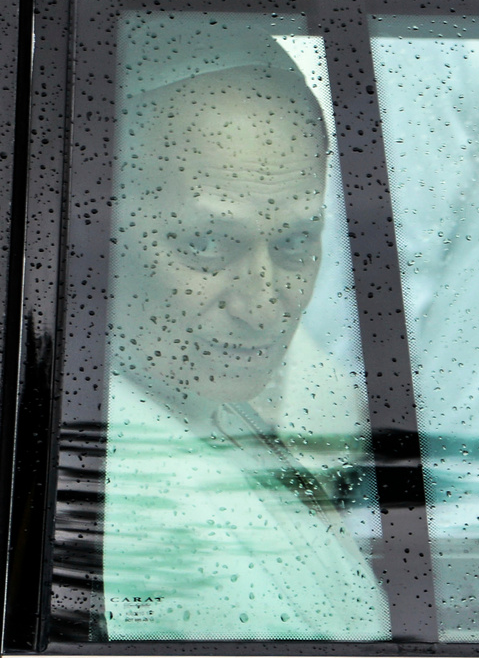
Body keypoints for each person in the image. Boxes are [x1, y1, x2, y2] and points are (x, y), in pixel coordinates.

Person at [101, 52, 389, 640]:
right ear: (95, 238)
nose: (263, 306)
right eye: (206, 243)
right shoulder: (134, 490)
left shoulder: (187, 400)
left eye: (292, 243)